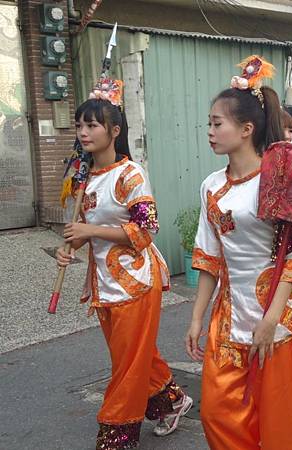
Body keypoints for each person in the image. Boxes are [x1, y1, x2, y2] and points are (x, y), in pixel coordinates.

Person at [185, 56, 292, 450]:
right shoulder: (211, 186)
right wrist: (196, 318)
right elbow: (209, 256)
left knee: (280, 424)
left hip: (278, 318)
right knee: (218, 414)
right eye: (208, 123)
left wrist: (271, 319)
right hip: (229, 317)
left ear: (246, 129)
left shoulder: (279, 180)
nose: (209, 131)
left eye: (216, 123)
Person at [56, 80, 192, 449]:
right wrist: (75, 242)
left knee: (127, 365)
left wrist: (89, 228)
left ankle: (117, 432)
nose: (84, 132)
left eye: (92, 125)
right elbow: (90, 232)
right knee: (133, 356)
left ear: (114, 130)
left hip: (134, 282)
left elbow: (146, 230)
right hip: (103, 284)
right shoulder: (84, 178)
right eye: (80, 125)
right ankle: (173, 401)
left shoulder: (131, 174)